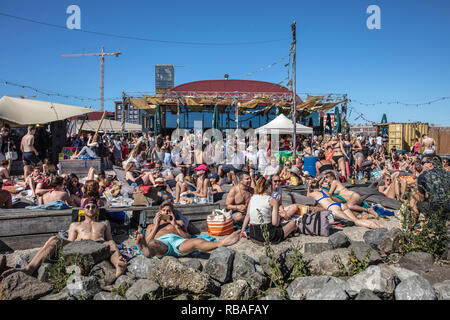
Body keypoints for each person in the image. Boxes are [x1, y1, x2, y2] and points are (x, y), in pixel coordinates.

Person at [1, 197, 127, 279]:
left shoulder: (104, 223)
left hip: (98, 245)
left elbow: (109, 239)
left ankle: (118, 266)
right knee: (54, 239)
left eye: (93, 206)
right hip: (80, 246)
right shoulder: (75, 224)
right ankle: (29, 268)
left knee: (111, 242)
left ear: (97, 209)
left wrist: (111, 246)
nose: (90, 208)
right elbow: (71, 242)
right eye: (87, 207)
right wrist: (57, 242)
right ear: (83, 210)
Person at [134, 201, 240, 258]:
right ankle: (147, 251)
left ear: (173, 212)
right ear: (160, 212)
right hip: (161, 242)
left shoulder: (179, 223)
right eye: (164, 211)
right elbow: (147, 241)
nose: (166, 213)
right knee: (154, 244)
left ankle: (221, 243)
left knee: (197, 241)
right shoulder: (151, 226)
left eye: (169, 211)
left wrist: (175, 225)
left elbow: (187, 237)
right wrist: (156, 225)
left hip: (178, 242)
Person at [240, 176, 297, 244]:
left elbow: (248, 215)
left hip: (253, 234)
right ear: (269, 187)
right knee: (293, 224)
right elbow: (275, 223)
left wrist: (242, 230)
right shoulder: (272, 200)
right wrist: (279, 216)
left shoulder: (252, 198)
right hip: (268, 236)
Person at [307, 180, 383, 229]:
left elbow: (307, 196)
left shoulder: (313, 194)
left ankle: (374, 226)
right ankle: (378, 225)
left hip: (332, 208)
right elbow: (322, 189)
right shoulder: (324, 191)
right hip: (340, 204)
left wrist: (308, 187)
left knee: (355, 222)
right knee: (356, 219)